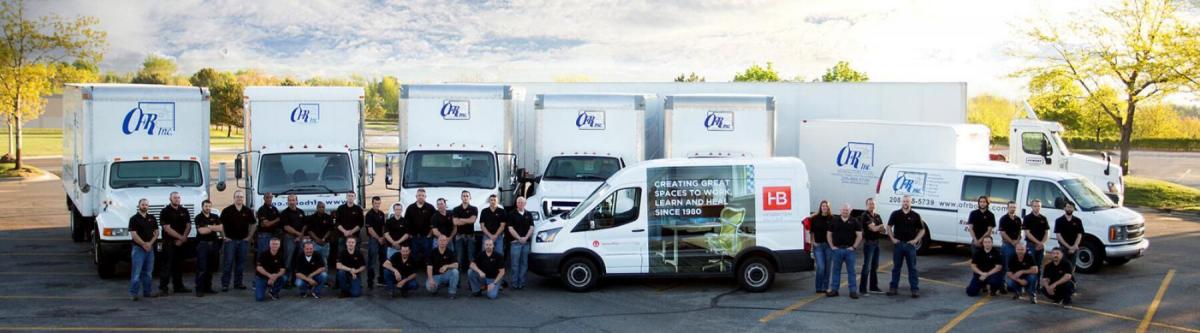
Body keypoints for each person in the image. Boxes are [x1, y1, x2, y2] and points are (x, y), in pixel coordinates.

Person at [888, 195, 925, 298]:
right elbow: (889, 226)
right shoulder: (895, 214)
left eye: (907, 201)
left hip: (910, 246)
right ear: (901, 202)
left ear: (910, 203)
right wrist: (892, 239)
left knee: (912, 269)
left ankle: (914, 290)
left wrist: (916, 240)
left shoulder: (916, 215)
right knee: (896, 268)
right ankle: (893, 288)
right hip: (898, 245)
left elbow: (922, 230)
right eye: (904, 201)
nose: (905, 203)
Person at [221, 190, 257, 292]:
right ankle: (225, 284)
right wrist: (224, 237)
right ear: (234, 198)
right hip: (230, 241)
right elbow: (220, 225)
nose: (239, 198)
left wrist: (249, 237)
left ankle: (238, 283)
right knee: (228, 263)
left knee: (240, 264)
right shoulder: (227, 210)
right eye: (237, 196)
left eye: (241, 197)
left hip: (243, 242)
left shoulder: (247, 211)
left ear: (243, 198)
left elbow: (254, 224)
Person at [158, 191, 192, 294]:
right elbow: (167, 228)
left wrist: (183, 238)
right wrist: (181, 237)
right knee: (167, 266)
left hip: (181, 243)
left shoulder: (184, 210)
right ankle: (163, 288)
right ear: (170, 199)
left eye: (178, 197)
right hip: (169, 243)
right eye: (175, 197)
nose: (177, 199)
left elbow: (188, 225)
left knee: (178, 266)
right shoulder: (165, 211)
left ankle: (178, 287)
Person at [827, 203, 862, 299]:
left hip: (849, 250)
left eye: (847, 210)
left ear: (850, 211)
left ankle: (853, 291)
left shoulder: (854, 221)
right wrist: (832, 246)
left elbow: (859, 235)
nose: (845, 211)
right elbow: (829, 234)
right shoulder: (835, 220)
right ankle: (834, 290)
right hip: (837, 250)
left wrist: (854, 247)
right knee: (836, 271)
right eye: (843, 210)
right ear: (840, 210)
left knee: (852, 272)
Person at [128, 198, 158, 301]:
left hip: (150, 249)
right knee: (136, 272)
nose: (145, 206)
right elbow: (133, 235)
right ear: (139, 205)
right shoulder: (134, 219)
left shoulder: (152, 218)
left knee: (148, 272)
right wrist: (143, 244)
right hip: (138, 249)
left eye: (146, 204)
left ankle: (147, 292)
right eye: (143, 204)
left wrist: (150, 243)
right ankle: (133, 294)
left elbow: (156, 232)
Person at [333, 192, 364, 288]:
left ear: (354, 197)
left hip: (355, 238)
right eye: (349, 196)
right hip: (343, 237)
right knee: (340, 259)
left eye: (352, 196)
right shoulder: (341, 208)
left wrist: (351, 232)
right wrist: (345, 231)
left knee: (357, 260)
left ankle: (358, 281)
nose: (350, 198)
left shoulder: (358, 209)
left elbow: (360, 224)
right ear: (346, 197)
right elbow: (337, 223)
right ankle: (338, 282)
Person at [193, 200, 222, 297]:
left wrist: (208, 226)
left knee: (210, 268)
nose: (208, 208)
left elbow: (221, 228)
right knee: (202, 268)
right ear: (202, 207)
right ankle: (199, 289)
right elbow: (201, 231)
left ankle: (208, 288)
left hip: (213, 244)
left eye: (209, 206)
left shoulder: (215, 216)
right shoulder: (198, 217)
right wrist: (213, 227)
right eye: (206, 206)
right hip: (202, 245)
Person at [858, 198, 885, 295]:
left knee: (875, 266)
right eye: (869, 204)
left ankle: (873, 287)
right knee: (867, 266)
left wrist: (878, 227)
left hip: (877, 243)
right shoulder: (865, 215)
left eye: (873, 204)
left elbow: (883, 231)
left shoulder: (877, 216)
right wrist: (879, 227)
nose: (871, 206)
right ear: (866, 205)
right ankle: (862, 289)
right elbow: (874, 229)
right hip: (869, 244)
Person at [507, 196, 535, 290]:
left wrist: (526, 238)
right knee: (515, 264)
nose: (520, 204)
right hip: (515, 243)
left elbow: (531, 227)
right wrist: (519, 238)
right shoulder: (511, 214)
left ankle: (521, 283)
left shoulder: (529, 214)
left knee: (524, 264)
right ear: (516, 203)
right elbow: (510, 228)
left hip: (526, 243)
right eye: (518, 202)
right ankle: (515, 283)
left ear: (525, 204)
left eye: (522, 202)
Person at [280, 194, 307, 288]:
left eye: (293, 200)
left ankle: (296, 280)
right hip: (289, 238)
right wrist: (297, 234)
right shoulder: (284, 213)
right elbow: (286, 227)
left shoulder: (301, 212)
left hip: (299, 239)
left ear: (296, 201)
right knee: (288, 260)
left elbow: (304, 225)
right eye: (290, 200)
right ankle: (286, 281)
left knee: (299, 260)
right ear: (287, 202)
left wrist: (301, 235)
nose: (291, 202)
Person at [808, 200, 834, 294]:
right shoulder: (815, 218)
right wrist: (813, 242)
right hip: (818, 246)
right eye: (823, 206)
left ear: (828, 208)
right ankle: (818, 287)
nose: (824, 207)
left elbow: (834, 232)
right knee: (821, 267)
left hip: (828, 246)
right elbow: (811, 231)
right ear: (820, 207)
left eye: (826, 206)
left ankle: (825, 287)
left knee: (828, 267)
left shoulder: (832, 218)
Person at [307, 201, 335, 286]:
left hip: (325, 243)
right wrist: (317, 239)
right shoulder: (312, 218)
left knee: (324, 262)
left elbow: (330, 230)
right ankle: (312, 279)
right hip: (315, 243)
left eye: (323, 207)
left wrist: (324, 239)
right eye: (320, 207)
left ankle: (324, 279)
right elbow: (310, 230)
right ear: (317, 208)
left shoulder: (328, 217)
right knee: (313, 261)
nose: (321, 208)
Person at [404, 188, 436, 262]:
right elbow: (406, 222)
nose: (420, 197)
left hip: (426, 237)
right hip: (414, 237)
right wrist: (409, 234)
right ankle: (414, 271)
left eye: (422, 195)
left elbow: (434, 222)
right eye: (419, 195)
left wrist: (430, 233)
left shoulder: (430, 207)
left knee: (428, 255)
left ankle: (428, 270)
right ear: (416, 196)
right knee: (413, 255)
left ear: (425, 197)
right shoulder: (410, 208)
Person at [1023, 199, 1051, 283]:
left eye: (1038, 206)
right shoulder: (1027, 218)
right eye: (1035, 206)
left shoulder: (1043, 218)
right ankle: (1029, 285)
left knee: (1039, 266)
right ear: (1031, 207)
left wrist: (1042, 243)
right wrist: (1038, 243)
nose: (1037, 208)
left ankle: (1037, 285)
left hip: (1041, 246)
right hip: (1031, 245)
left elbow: (1047, 232)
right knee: (1030, 266)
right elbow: (1027, 233)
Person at [451, 191, 479, 270]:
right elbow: (455, 222)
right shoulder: (456, 209)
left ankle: (472, 275)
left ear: (470, 198)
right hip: (459, 236)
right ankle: (457, 277)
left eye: (467, 196)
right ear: (461, 197)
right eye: (464, 196)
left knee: (471, 257)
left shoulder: (474, 208)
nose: (465, 197)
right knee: (459, 257)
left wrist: (461, 219)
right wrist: (467, 220)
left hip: (471, 236)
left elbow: (472, 220)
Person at [997, 202, 1023, 283]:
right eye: (1011, 207)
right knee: (1006, 265)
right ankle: (1003, 283)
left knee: (1014, 265)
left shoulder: (1018, 219)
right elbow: (1002, 233)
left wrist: (1017, 241)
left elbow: (1020, 232)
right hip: (1007, 245)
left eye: (1014, 207)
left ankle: (1012, 284)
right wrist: (1012, 242)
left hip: (1016, 245)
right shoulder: (1003, 219)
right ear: (1007, 208)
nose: (1013, 209)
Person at [365, 196, 387, 288]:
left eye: (378, 203)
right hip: (373, 240)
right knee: (372, 261)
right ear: (372, 203)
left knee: (383, 260)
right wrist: (379, 238)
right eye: (375, 203)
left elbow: (383, 227)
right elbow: (370, 230)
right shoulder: (369, 214)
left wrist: (383, 238)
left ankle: (381, 280)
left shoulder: (381, 213)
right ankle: (370, 282)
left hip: (381, 239)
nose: (377, 205)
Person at [254, 237, 286, 301]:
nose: (275, 245)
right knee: (259, 298)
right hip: (262, 277)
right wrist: (269, 276)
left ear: (279, 245)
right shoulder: (263, 254)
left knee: (284, 278)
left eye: (276, 244)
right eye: (273, 244)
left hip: (274, 276)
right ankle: (259, 284)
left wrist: (275, 276)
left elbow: (283, 270)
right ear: (270, 244)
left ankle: (273, 292)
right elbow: (259, 268)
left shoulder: (281, 255)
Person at [1055, 202, 1084, 268]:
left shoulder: (1078, 220)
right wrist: (1069, 247)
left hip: (1074, 247)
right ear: (1064, 208)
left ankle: (1071, 278)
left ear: (1073, 209)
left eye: (1071, 207)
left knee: (1072, 266)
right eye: (1067, 207)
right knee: (1063, 266)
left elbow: (1079, 234)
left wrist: (1075, 245)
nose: (1069, 209)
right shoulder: (1059, 220)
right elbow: (1058, 235)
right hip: (1063, 248)